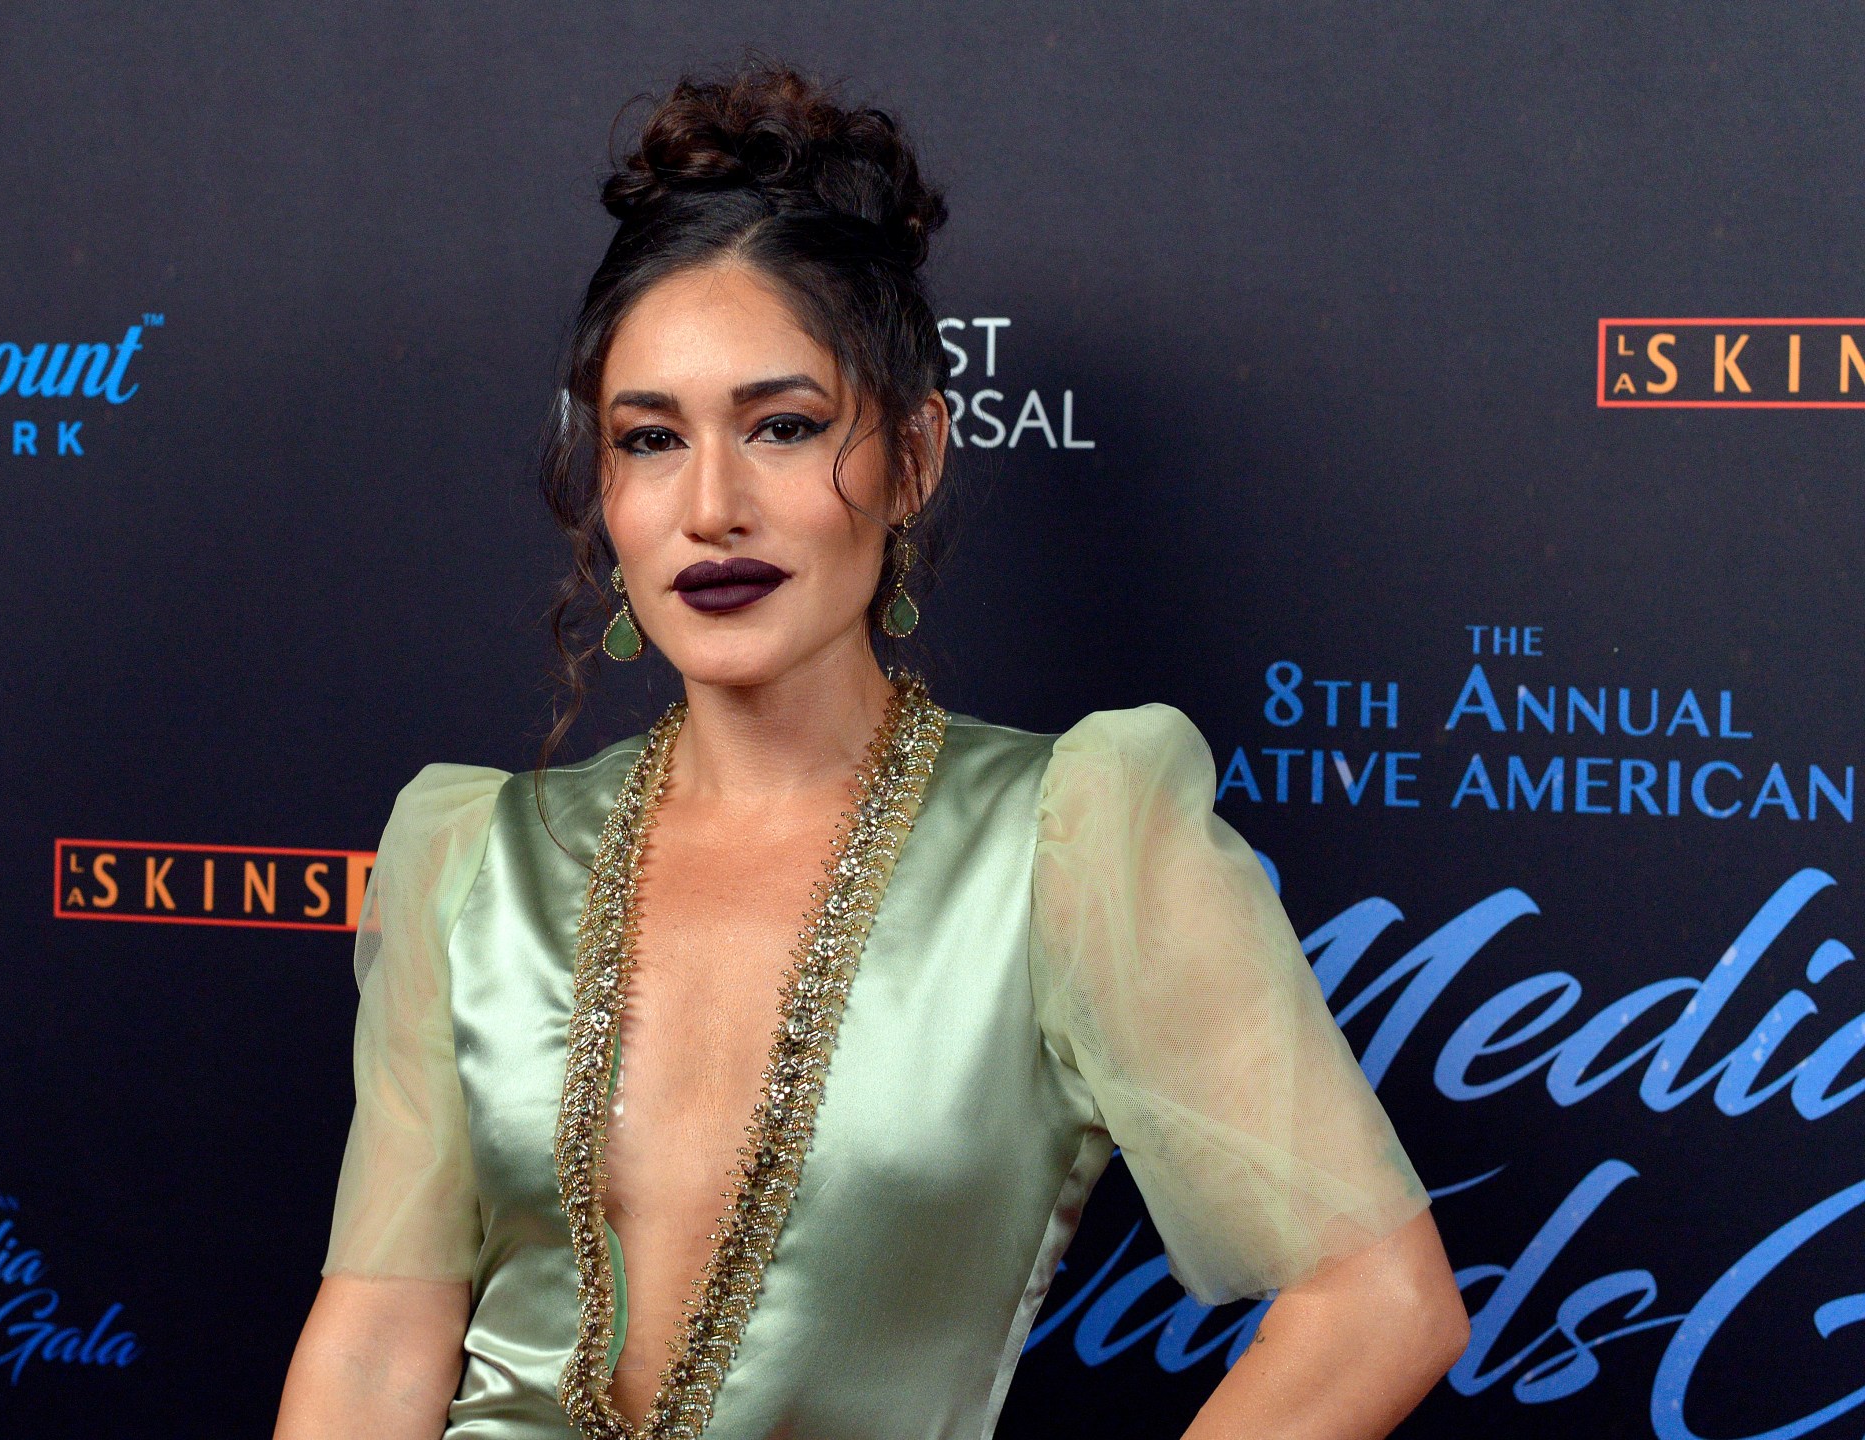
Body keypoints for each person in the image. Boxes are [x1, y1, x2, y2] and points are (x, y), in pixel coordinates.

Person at [276, 60, 1468, 1440]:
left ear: (910, 458)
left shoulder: (1076, 838)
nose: (712, 506)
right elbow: (373, 1344)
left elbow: (1381, 1298)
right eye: (650, 440)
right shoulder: (473, 863)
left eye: (783, 427)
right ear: (602, 490)